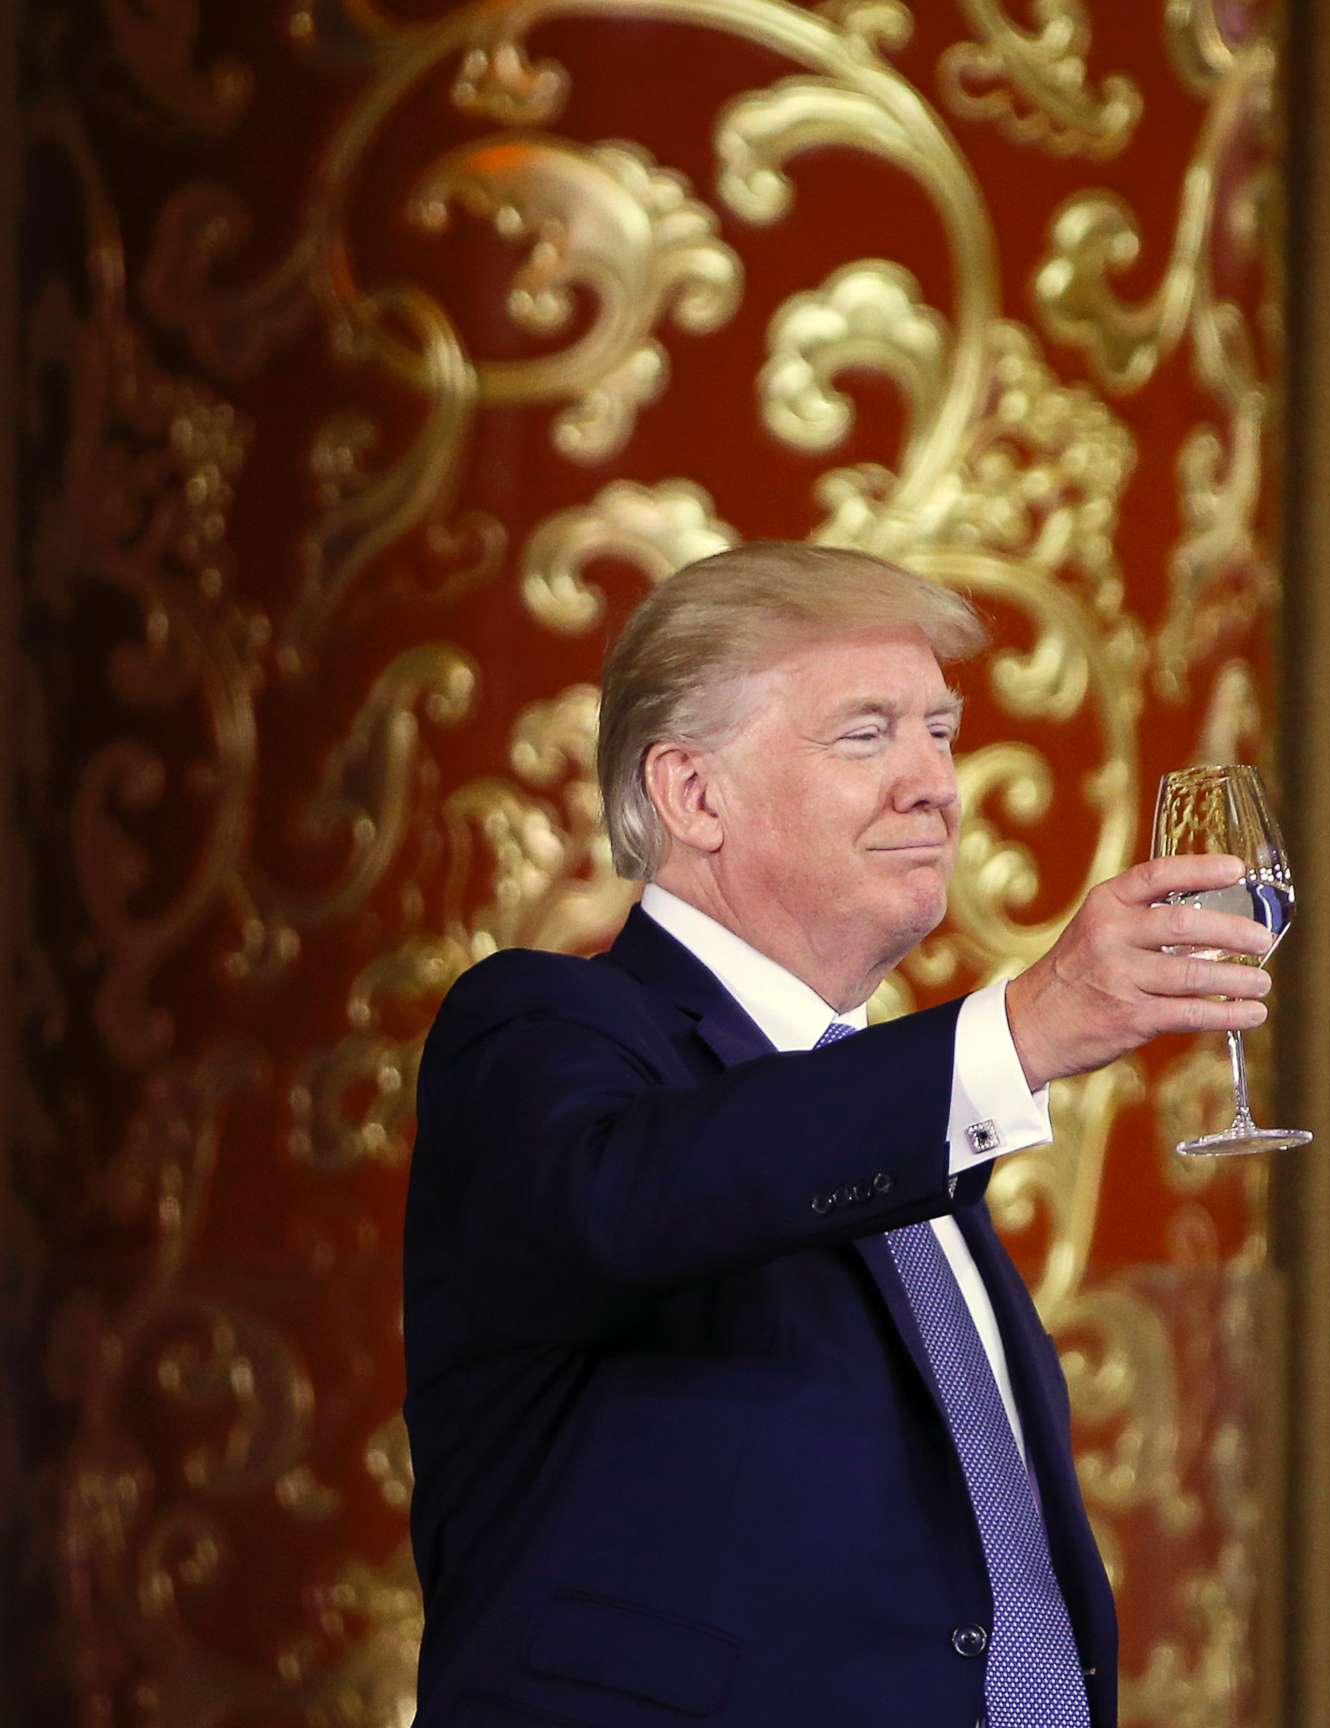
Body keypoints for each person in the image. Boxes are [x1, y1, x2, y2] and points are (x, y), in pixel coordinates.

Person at [401, 541, 1275, 1728]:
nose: (935, 784)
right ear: (692, 794)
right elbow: (644, 1196)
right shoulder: (546, 1032)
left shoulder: (899, 1125)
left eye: (941, 731)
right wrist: (1020, 1027)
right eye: (867, 735)